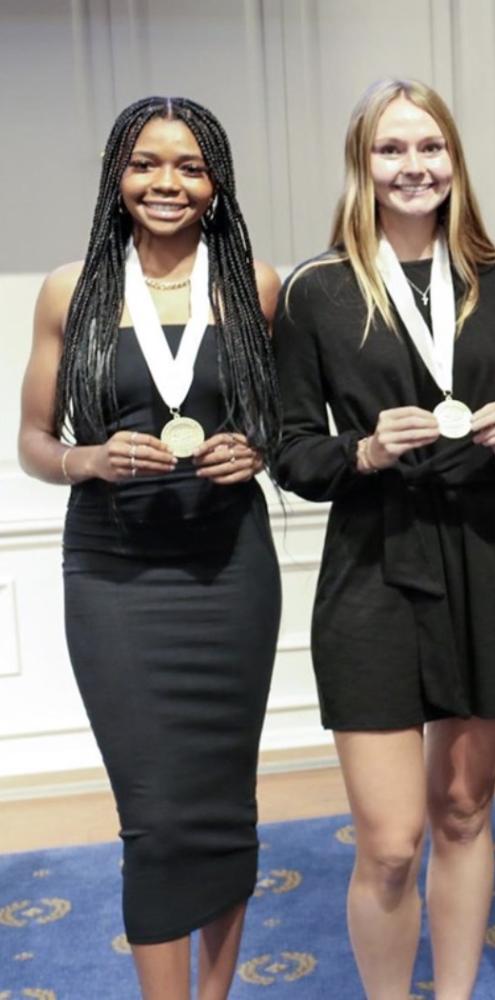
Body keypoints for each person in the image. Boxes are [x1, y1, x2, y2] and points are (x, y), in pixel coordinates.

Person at [270, 79, 495, 1000]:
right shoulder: (316, 291)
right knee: (391, 843)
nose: (413, 166)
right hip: (372, 566)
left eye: (430, 147)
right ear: (363, 163)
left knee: (465, 809)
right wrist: (363, 450)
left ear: (454, 160)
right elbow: (290, 452)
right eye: (392, 149)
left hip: (480, 557)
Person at [17, 96, 281, 1000]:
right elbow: (33, 441)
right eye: (145, 164)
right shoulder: (72, 290)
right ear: (116, 176)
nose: (167, 183)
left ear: (217, 183)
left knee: (224, 808)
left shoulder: (255, 286)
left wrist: (256, 451)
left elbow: (281, 424)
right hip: (115, 573)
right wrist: (86, 459)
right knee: (157, 817)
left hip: (230, 568)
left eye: (189, 167)